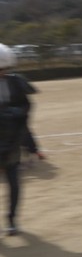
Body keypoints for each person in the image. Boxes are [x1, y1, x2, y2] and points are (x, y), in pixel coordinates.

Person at [0, 44, 33, 236]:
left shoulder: (15, 82)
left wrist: (15, 113)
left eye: (3, 69)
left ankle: (12, 220)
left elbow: (26, 109)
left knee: (13, 182)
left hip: (10, 139)